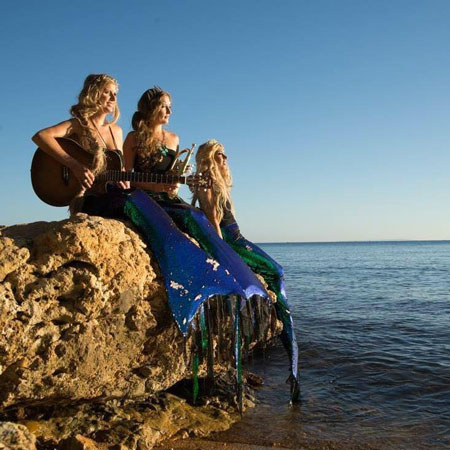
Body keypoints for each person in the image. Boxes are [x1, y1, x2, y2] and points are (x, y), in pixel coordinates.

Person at [192, 140, 300, 402]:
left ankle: (292, 361)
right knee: (276, 271)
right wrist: (224, 256)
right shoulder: (208, 181)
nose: (226, 159)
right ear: (210, 158)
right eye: (221, 155)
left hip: (237, 239)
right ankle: (292, 362)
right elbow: (215, 223)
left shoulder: (220, 184)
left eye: (226, 154)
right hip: (232, 242)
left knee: (276, 275)